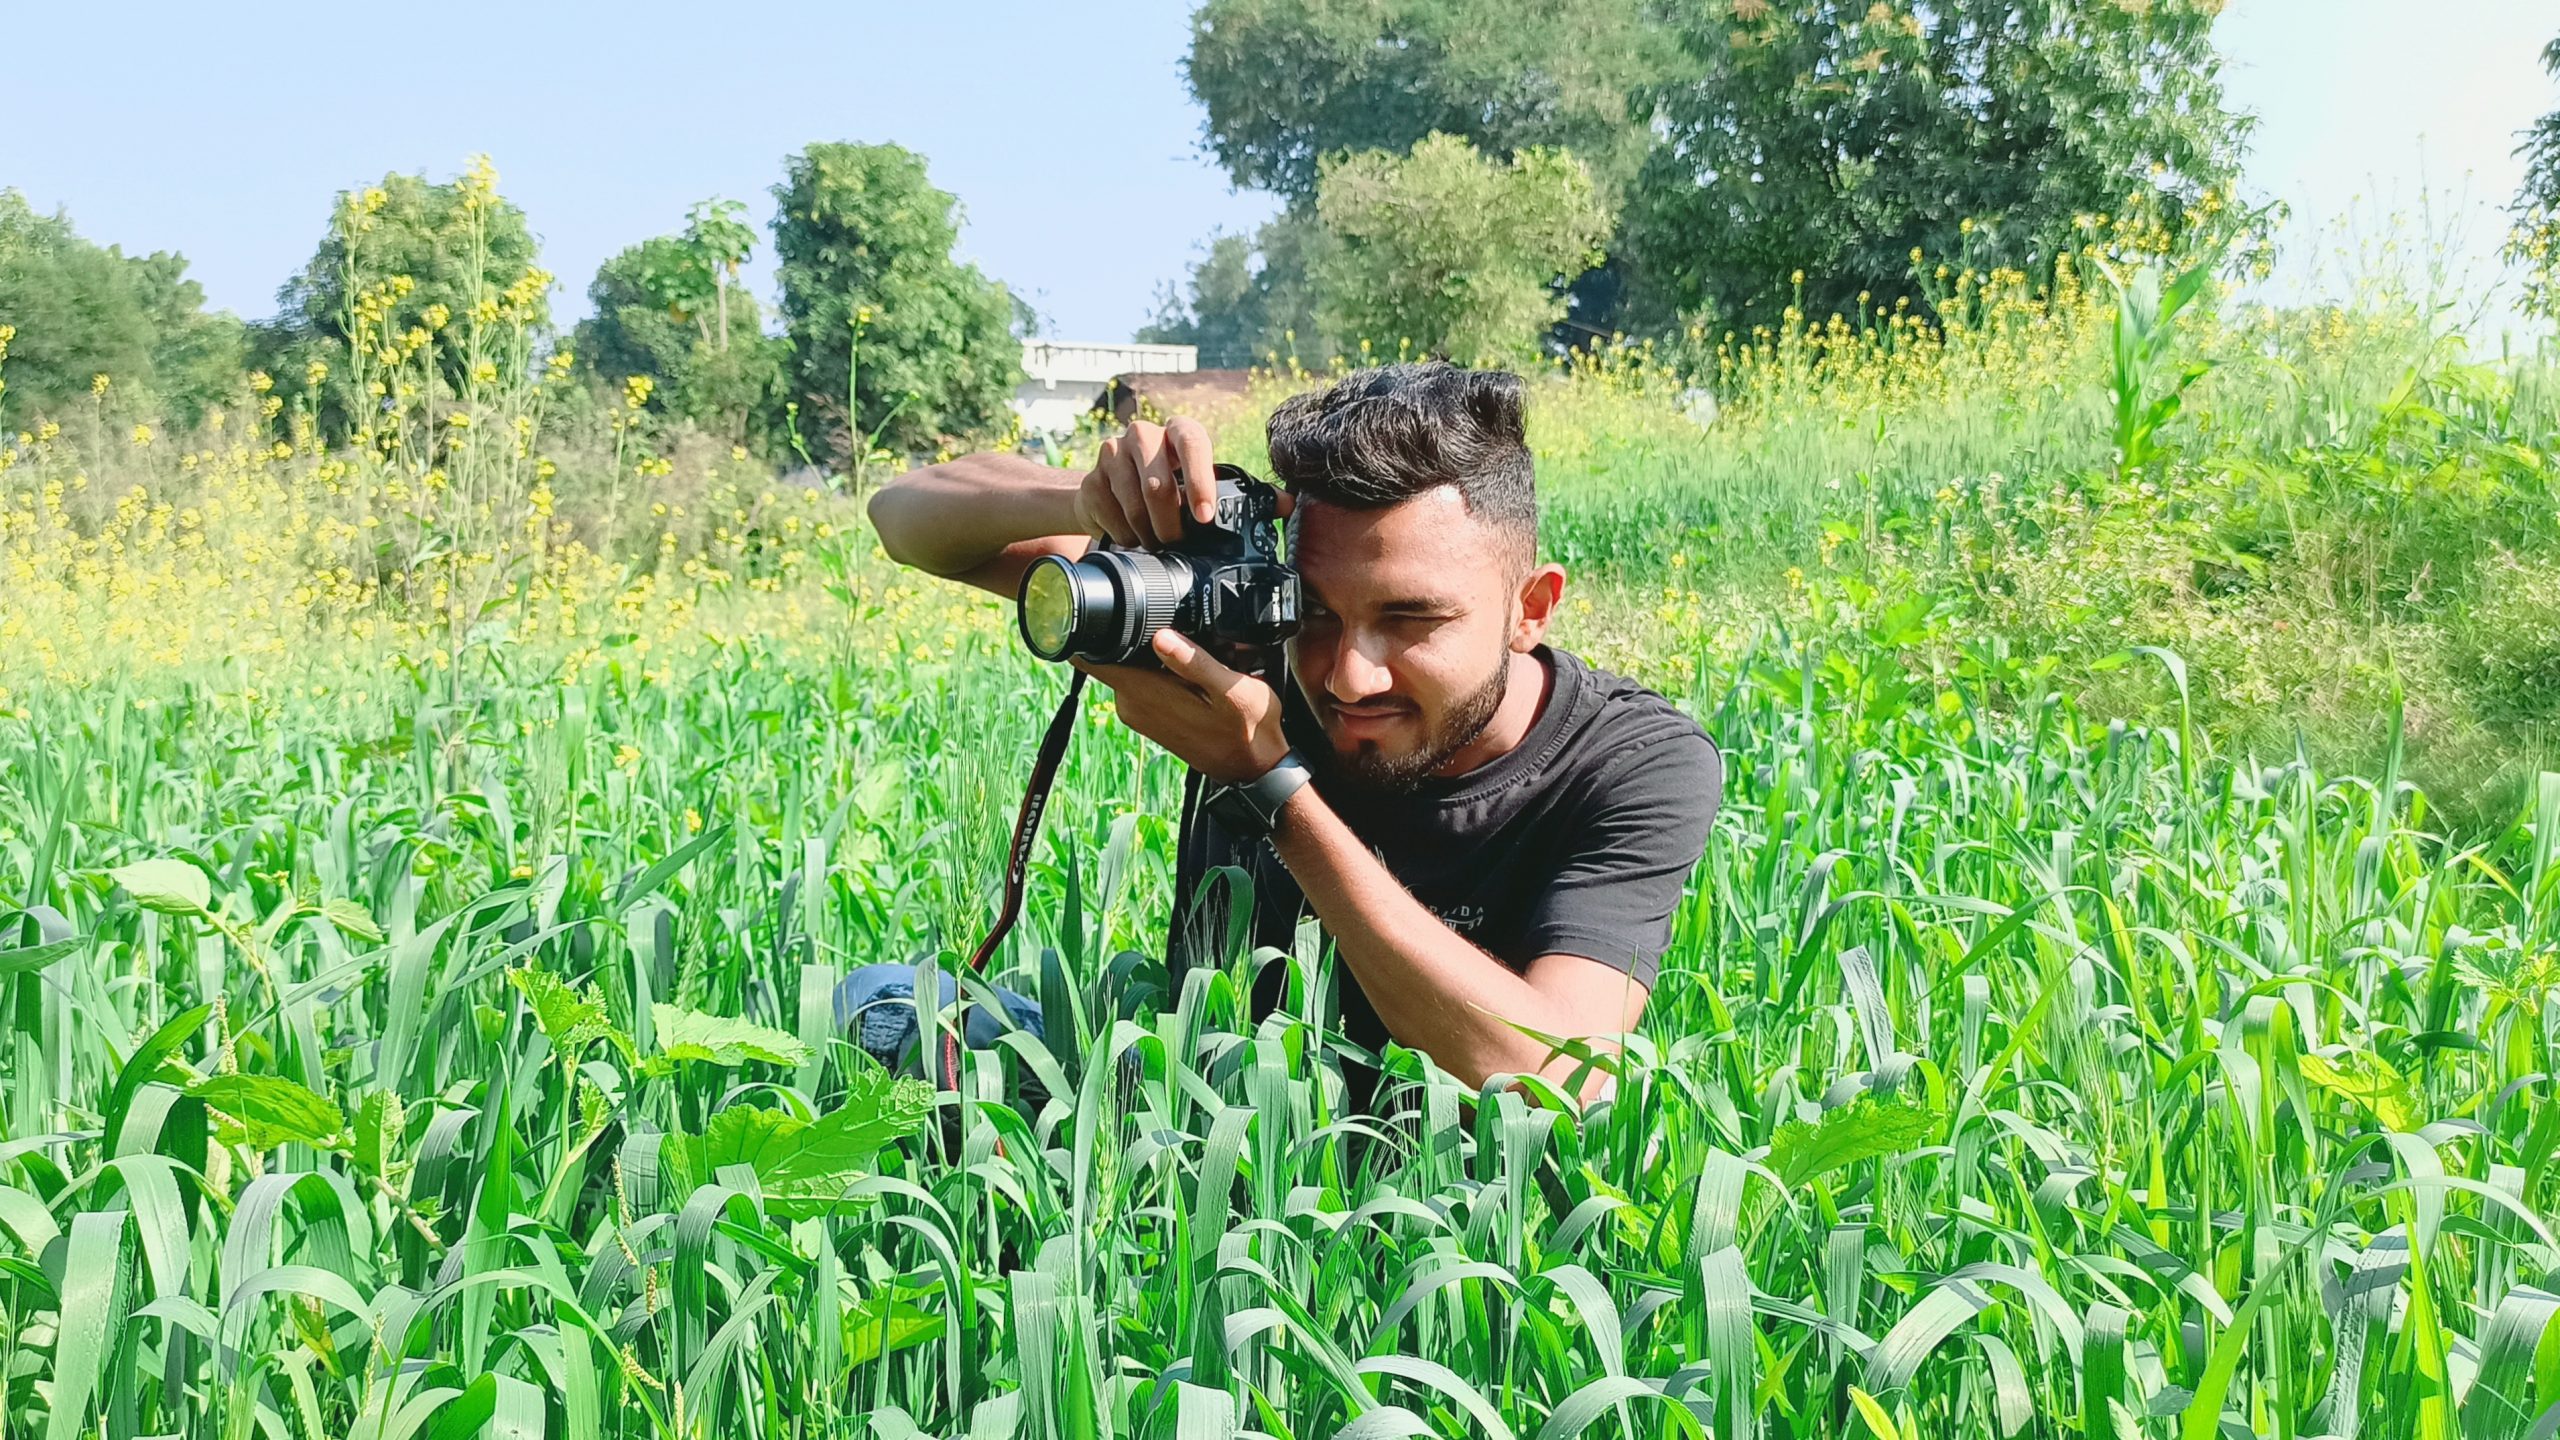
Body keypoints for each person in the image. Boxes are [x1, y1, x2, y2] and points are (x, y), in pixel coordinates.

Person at [849, 361, 1721, 1113]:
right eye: (1314, 613)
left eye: (1410, 619)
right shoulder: (1246, 633)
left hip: (1441, 1200)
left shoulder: (1633, 762)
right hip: (1191, 1107)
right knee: (871, 1006)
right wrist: (1083, 498)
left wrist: (1273, 786)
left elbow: (1551, 1077)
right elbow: (906, 518)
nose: (1348, 675)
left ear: (1530, 609)